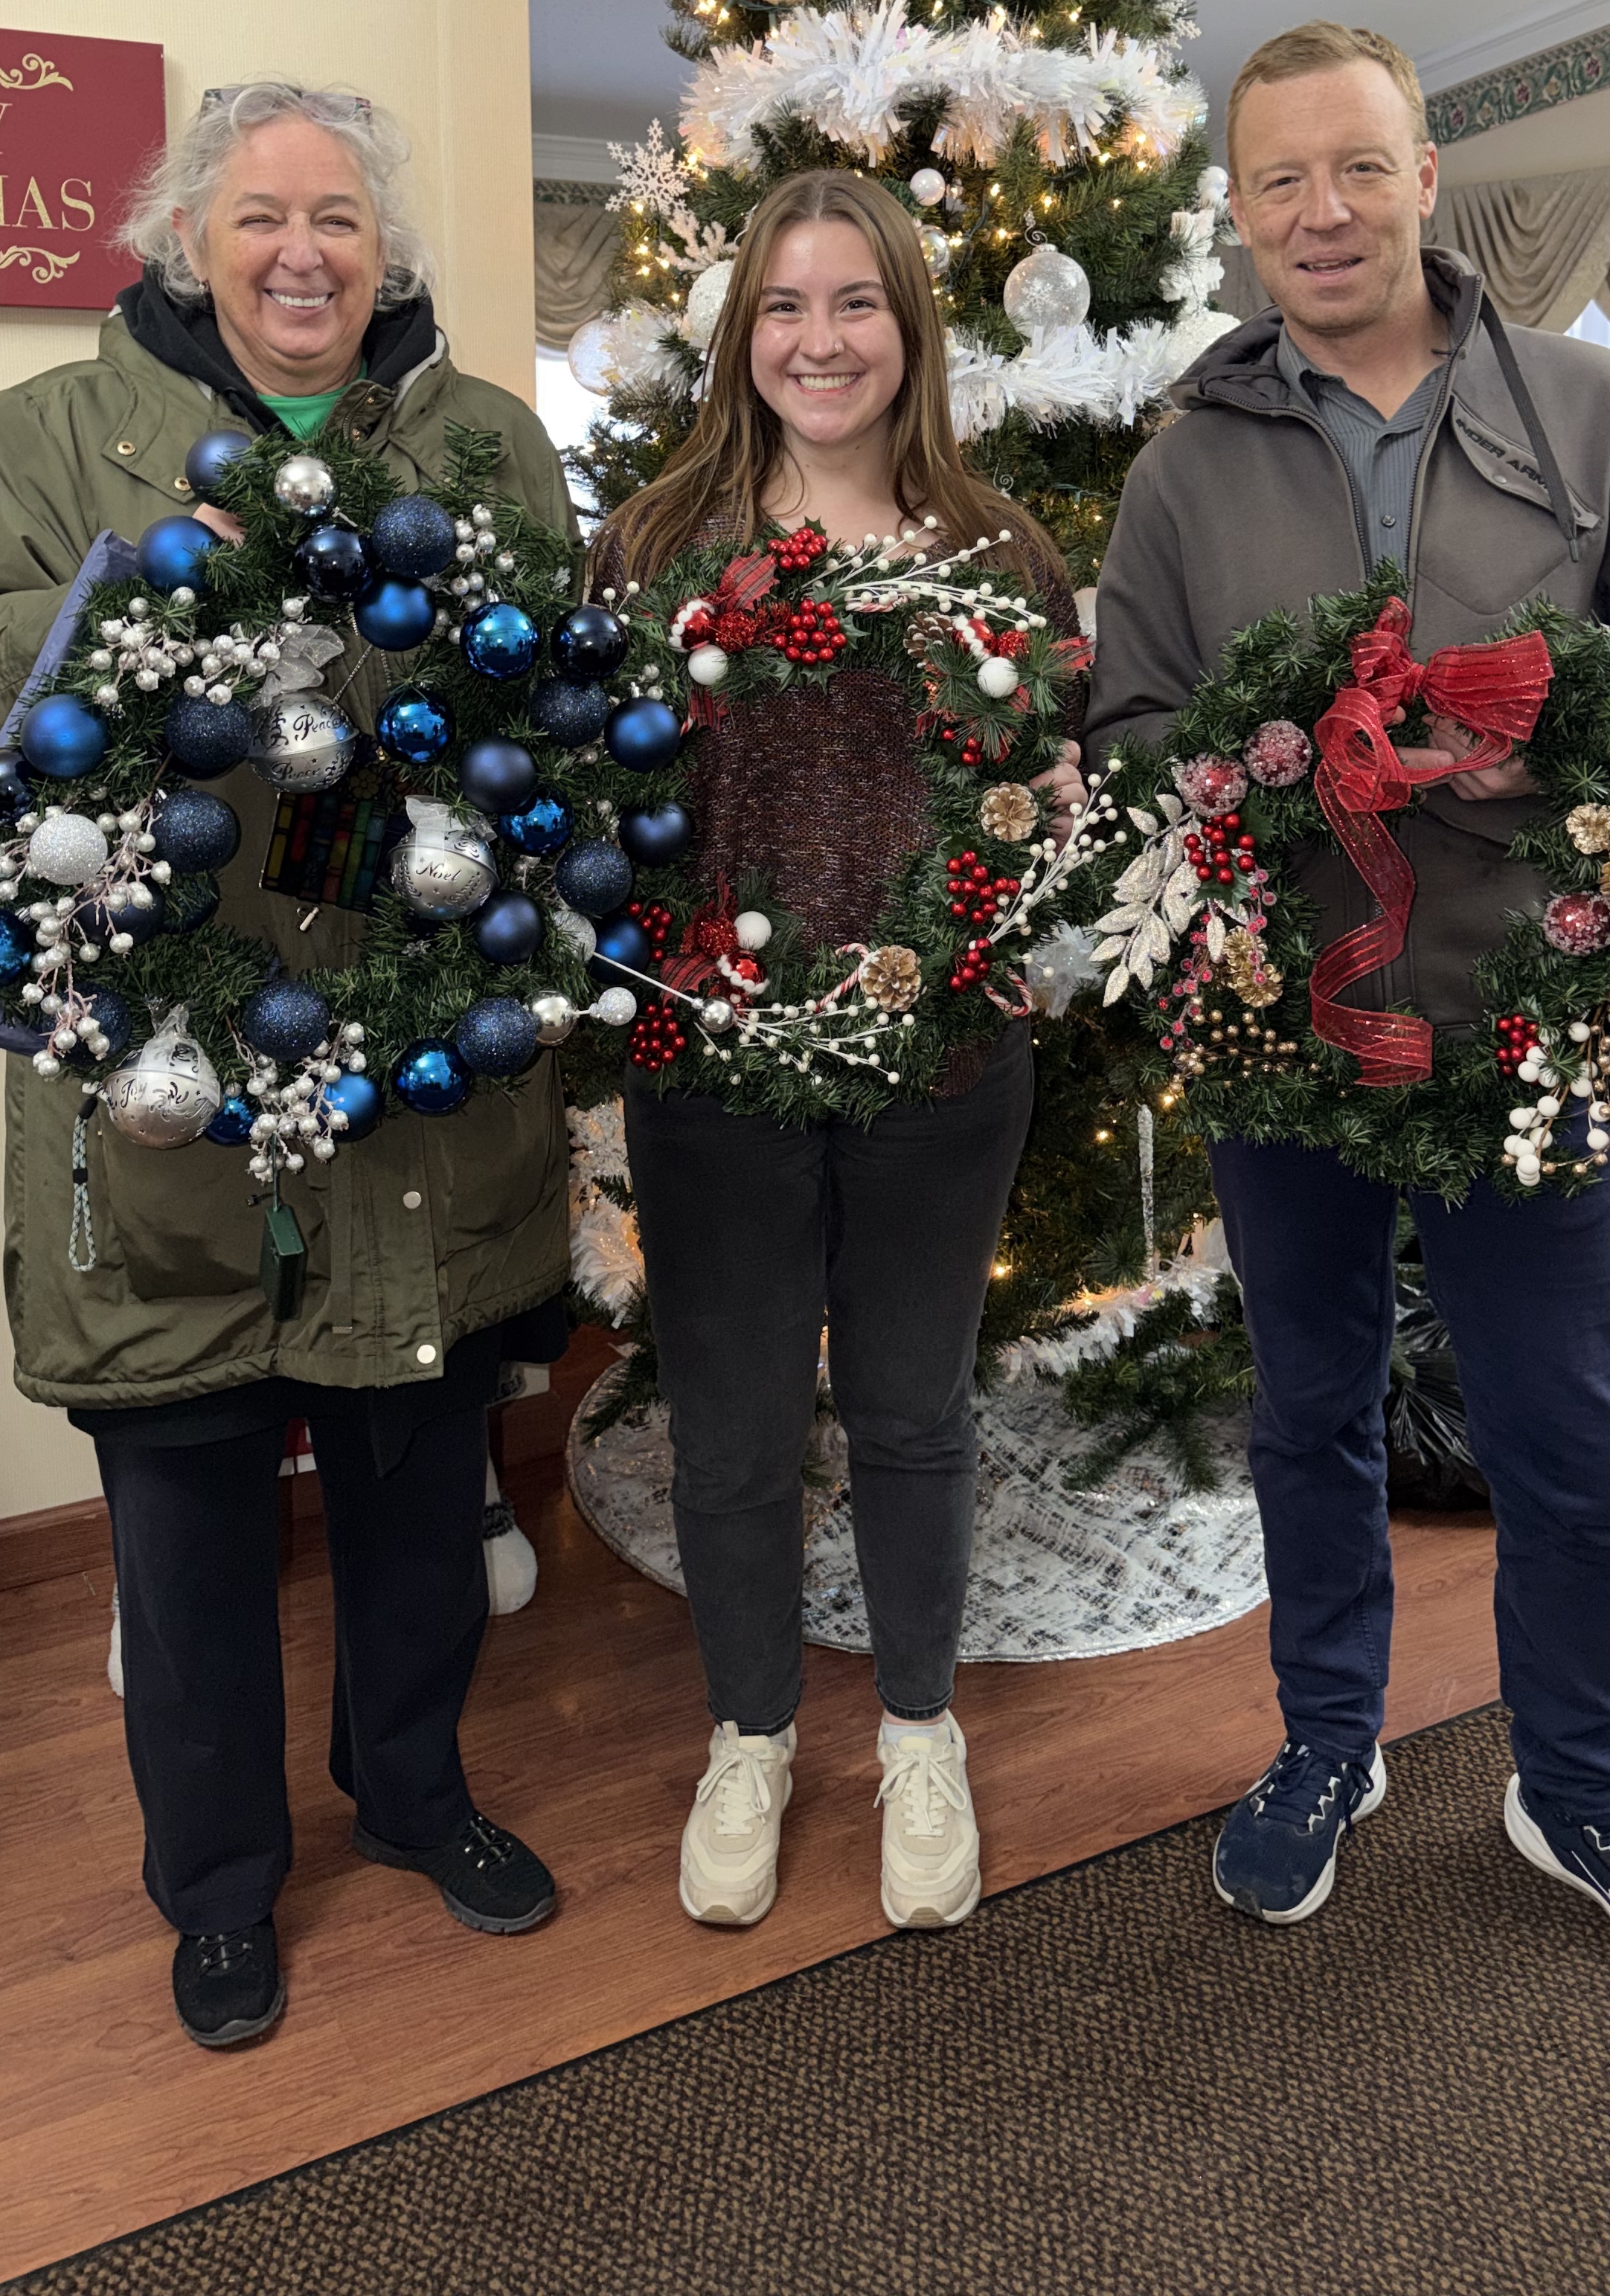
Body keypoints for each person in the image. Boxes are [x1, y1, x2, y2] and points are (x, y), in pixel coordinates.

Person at [0, 81, 572, 2050]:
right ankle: (221, 1888)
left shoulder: (489, 444)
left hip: (411, 1093)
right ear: (187, 240)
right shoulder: (56, 437)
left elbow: (565, 715)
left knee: (420, 1488)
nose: (300, 255)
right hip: (158, 1092)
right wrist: (140, 604)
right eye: (258, 217)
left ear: (386, 248)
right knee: (182, 1512)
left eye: (338, 218)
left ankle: (419, 1796)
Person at [1086, 25, 1610, 2009]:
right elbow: (1132, 734)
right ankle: (1328, 1741)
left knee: (1570, 1443)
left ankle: (1585, 1787)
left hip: (1543, 1037)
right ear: (1238, 209)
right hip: (1291, 1035)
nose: (1321, 211)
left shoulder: (1592, 406)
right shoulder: (1185, 465)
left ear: (1426, 176)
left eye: (1357, 169)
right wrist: (1284, 764)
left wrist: (1560, 740)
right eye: (1281, 180)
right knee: (1310, 1415)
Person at [595, 167, 1084, 1936]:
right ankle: (748, 1736)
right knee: (728, 1423)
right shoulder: (657, 549)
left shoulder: (996, 552)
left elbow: (1043, 782)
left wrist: (1030, 891)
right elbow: (600, 802)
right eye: (787, 306)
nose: (822, 339)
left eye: (856, 302)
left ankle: (917, 1732)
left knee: (911, 1413)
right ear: (744, 333)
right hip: (711, 1072)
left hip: (942, 1074)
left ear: (909, 328)